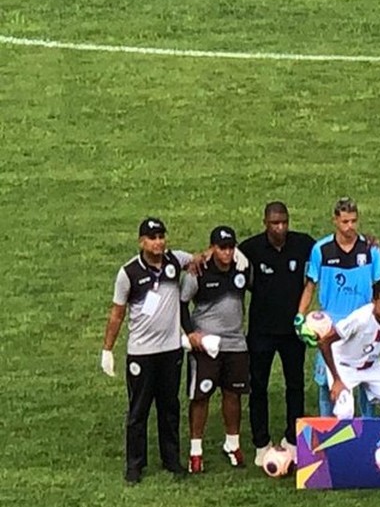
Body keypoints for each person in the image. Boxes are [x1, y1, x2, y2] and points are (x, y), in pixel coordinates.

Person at [101, 218, 191, 484]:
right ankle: (135, 465)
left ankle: (171, 459)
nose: (158, 242)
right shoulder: (128, 273)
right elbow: (117, 314)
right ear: (142, 242)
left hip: (171, 350)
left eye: (161, 236)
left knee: (169, 406)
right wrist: (107, 349)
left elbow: (198, 260)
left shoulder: (175, 261)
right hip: (141, 352)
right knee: (138, 410)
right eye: (152, 238)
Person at [239, 201, 315, 467]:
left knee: (295, 385)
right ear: (265, 223)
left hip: (293, 331)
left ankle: (292, 441)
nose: (280, 228)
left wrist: (368, 241)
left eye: (284, 222)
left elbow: (332, 249)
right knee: (257, 385)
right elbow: (221, 259)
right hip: (261, 331)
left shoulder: (303, 244)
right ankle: (261, 443)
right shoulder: (250, 249)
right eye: (274, 223)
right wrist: (200, 259)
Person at [298, 197, 380, 416]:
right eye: (345, 221)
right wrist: (300, 316)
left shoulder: (369, 250)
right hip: (332, 325)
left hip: (362, 324)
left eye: (354, 221)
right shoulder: (321, 249)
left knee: (366, 382)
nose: (350, 227)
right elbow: (311, 284)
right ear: (335, 221)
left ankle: (367, 430)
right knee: (327, 383)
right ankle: (327, 429)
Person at [180, 226, 252, 473]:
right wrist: (191, 334)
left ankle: (232, 443)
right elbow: (181, 304)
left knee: (233, 394)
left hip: (236, 344)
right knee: (201, 396)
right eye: (222, 248)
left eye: (231, 247)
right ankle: (195, 451)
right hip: (206, 346)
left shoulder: (242, 267)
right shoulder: (197, 271)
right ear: (212, 248)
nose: (227, 253)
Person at [317, 280, 380, 420]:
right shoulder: (360, 319)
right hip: (344, 366)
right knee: (345, 411)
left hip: (371, 366)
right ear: (374, 301)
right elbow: (324, 342)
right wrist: (336, 379)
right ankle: (345, 440)